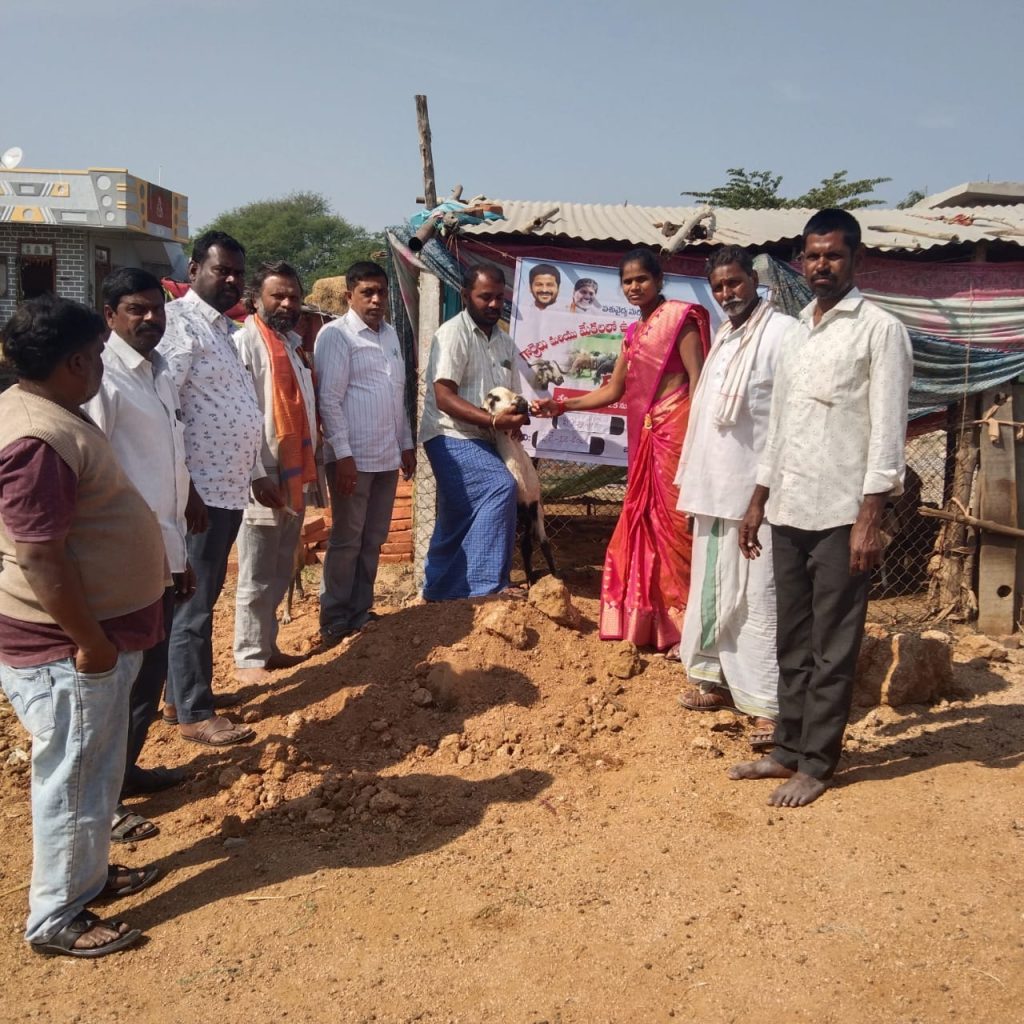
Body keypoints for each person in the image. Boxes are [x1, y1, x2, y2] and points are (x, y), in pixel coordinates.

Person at [730, 209, 912, 807]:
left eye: (833, 255)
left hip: (841, 514)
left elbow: (887, 432)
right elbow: (779, 427)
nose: (821, 265)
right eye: (812, 256)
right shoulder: (797, 332)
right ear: (801, 261)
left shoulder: (879, 330)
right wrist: (757, 501)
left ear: (856, 259)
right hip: (788, 508)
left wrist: (869, 519)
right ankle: (787, 748)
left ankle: (817, 763)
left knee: (833, 645)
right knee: (792, 639)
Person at [0, 295, 165, 957]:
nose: (103, 364)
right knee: (73, 777)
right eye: (98, 353)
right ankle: (57, 918)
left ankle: (85, 876)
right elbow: (40, 555)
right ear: (74, 362)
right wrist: (90, 642)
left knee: (94, 768)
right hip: (67, 646)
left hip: (86, 638)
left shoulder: (48, 413)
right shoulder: (36, 438)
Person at [534, 248, 710, 650]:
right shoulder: (633, 333)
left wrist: (701, 440)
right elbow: (614, 390)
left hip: (678, 430)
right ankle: (653, 624)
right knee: (645, 524)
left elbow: (699, 381)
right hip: (645, 436)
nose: (634, 287)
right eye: (627, 281)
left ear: (659, 280)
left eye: (641, 279)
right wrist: (563, 406)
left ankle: (690, 629)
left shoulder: (679, 320)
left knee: (678, 526)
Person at [83, 268, 194, 844]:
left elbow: (165, 465)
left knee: (148, 678)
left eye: (157, 308)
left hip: (162, 553)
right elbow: (94, 473)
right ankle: (102, 804)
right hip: (122, 563)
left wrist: (180, 553)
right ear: (110, 315)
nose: (151, 318)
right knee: (118, 686)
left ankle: (125, 773)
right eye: (136, 309)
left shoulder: (160, 372)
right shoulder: (102, 380)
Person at [674, 246, 795, 750]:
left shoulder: (783, 334)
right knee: (712, 590)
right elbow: (704, 418)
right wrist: (692, 487)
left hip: (757, 494)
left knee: (757, 597)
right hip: (714, 489)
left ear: (754, 279)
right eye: (719, 287)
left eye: (735, 282)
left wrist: (760, 497)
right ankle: (715, 681)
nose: (727, 293)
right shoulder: (724, 336)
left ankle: (767, 705)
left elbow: (788, 420)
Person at [160, 230, 264, 746]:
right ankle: (195, 714)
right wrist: (188, 490)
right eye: (222, 270)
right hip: (199, 494)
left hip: (227, 487)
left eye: (238, 274)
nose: (231, 281)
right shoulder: (179, 325)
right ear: (195, 269)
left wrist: (255, 472)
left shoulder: (222, 329)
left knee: (201, 597)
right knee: (193, 604)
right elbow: (167, 408)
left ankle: (178, 696)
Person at [314, 261, 415, 642]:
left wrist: (406, 444)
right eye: (366, 293)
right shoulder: (336, 336)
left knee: (373, 539)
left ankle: (360, 610)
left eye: (381, 292)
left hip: (386, 457)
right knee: (347, 540)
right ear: (348, 296)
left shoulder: (390, 335)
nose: (375, 300)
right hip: (352, 460)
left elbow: (396, 395)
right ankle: (334, 617)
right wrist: (342, 456)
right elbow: (329, 400)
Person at [233, 262, 319, 679]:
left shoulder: (292, 346)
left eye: (293, 296)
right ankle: (249, 656)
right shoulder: (243, 345)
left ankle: (267, 646)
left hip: (292, 474)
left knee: (283, 564)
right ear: (255, 300)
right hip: (263, 475)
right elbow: (239, 415)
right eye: (277, 296)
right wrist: (254, 474)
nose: (287, 303)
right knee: (256, 570)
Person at [420, 264, 526, 600]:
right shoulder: (454, 333)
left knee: (457, 514)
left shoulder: (505, 343)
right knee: (500, 487)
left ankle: (439, 589)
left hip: (486, 438)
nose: (494, 304)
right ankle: (485, 587)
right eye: (485, 297)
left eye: (499, 298)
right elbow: (444, 396)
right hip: (450, 434)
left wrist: (517, 420)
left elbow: (512, 398)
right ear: (466, 295)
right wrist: (493, 422)